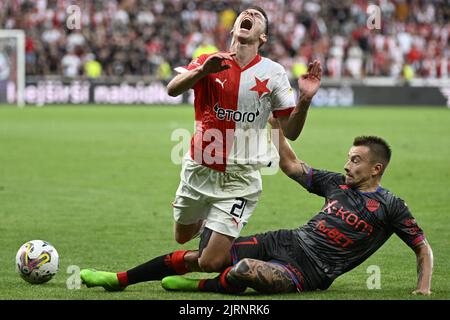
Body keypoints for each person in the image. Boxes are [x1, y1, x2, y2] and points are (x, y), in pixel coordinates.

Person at [80, 5, 323, 288]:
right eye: (247, 13)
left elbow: (291, 132)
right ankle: (211, 220)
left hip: (240, 179)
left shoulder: (274, 72)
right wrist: (201, 72)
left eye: (257, 16)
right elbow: (172, 89)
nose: (251, 15)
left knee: (210, 262)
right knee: (182, 236)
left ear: (263, 37)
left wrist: (304, 100)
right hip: (199, 169)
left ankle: (201, 258)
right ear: (234, 28)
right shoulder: (209, 60)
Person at [80, 121, 433, 296]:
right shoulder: (335, 184)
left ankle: (201, 287)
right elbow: (293, 165)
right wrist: (277, 125)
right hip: (284, 240)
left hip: (310, 271)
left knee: (245, 268)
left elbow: (422, 248)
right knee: (207, 253)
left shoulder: (390, 206)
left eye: (355, 161)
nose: (347, 165)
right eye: (347, 158)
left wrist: (424, 287)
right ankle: (119, 279)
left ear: (376, 169)